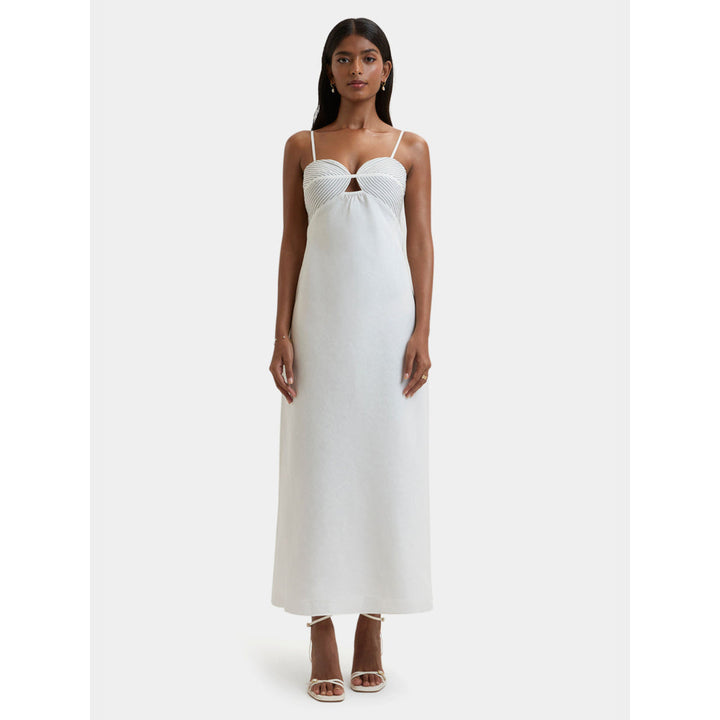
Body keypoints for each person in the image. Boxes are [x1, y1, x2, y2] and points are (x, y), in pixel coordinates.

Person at [268, 17, 434, 702]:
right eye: (343, 58)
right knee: (318, 467)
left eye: (368, 58)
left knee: (385, 464)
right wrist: (281, 332)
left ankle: (371, 619)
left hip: (389, 328)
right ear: (329, 69)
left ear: (386, 69)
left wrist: (423, 330)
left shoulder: (411, 147)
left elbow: (420, 240)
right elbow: (291, 241)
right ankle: (318, 623)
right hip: (321, 328)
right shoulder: (302, 146)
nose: (356, 69)